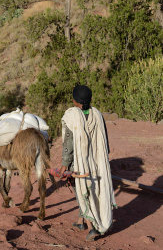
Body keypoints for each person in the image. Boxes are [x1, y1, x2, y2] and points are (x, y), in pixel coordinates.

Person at [59, 85, 116, 241]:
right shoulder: (97, 114)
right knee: (93, 190)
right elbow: (104, 139)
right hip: (97, 160)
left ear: (74, 101)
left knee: (82, 192)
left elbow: (69, 143)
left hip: (80, 162)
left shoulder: (72, 116)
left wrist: (65, 164)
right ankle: (80, 222)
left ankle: (92, 228)